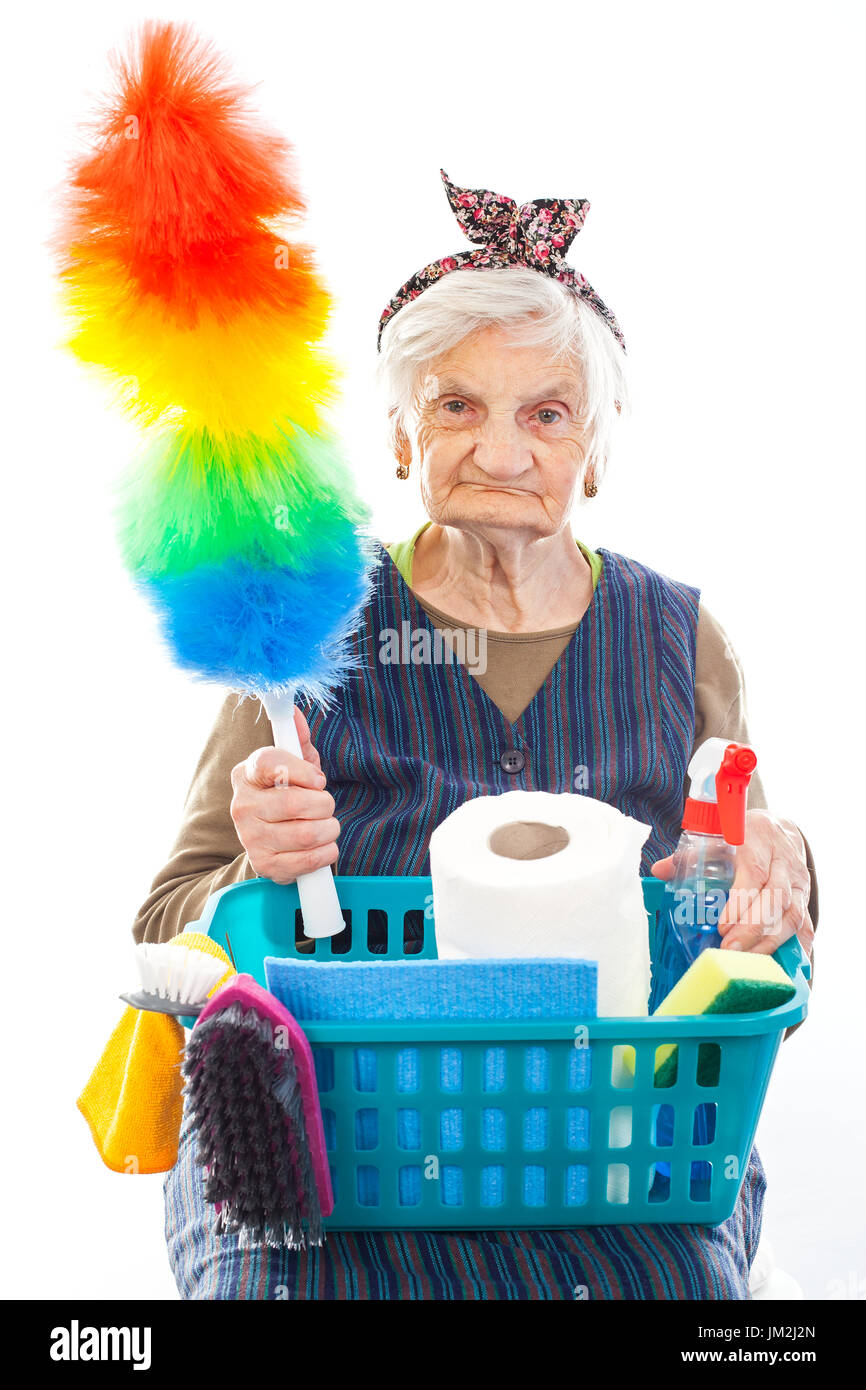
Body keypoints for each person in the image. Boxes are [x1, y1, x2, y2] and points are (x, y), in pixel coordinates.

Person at [142, 171, 816, 1299]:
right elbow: (165, 928)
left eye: (544, 414)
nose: (500, 452)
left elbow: (743, 955)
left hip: (614, 1158)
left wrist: (777, 876)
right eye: (456, 405)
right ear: (402, 437)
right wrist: (249, 868)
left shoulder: (681, 640)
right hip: (338, 1154)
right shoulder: (303, 631)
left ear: (594, 451)